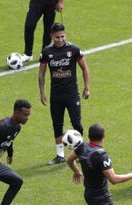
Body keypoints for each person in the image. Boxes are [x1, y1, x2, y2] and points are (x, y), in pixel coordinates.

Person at [38, 23, 90, 165]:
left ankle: (81, 152)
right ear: (51, 36)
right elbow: (41, 74)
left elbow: (84, 68)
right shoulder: (46, 52)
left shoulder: (73, 50)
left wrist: (87, 88)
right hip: (56, 94)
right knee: (57, 124)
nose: (60, 39)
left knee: (76, 122)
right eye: (57, 37)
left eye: (62, 36)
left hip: (72, 93)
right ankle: (60, 155)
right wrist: (42, 92)